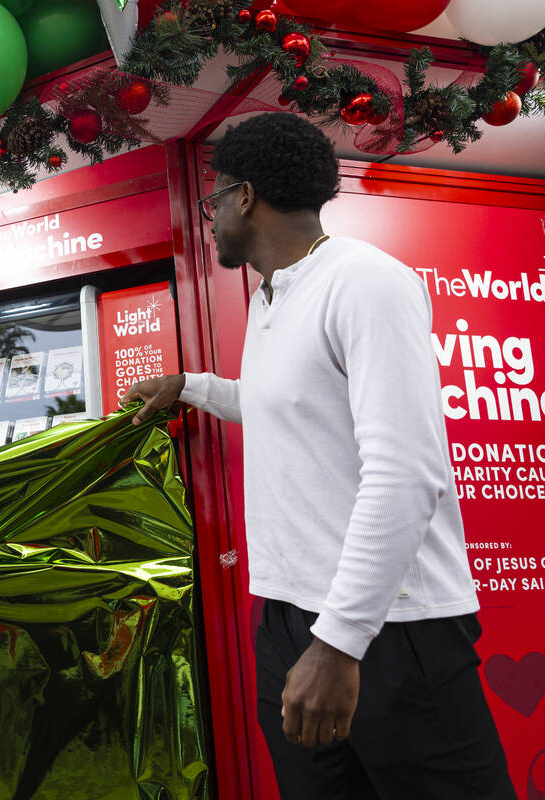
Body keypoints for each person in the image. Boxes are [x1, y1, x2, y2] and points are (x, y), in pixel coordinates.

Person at [120, 112, 513, 799]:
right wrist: (192, 387)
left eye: (215, 200)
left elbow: (405, 473)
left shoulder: (365, 282)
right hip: (289, 614)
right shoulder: (275, 294)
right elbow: (289, 405)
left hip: (390, 629)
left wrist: (339, 643)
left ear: (245, 196)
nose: (210, 219)